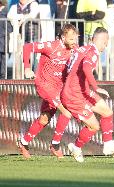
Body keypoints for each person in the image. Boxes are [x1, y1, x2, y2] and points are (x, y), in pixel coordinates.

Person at [61, 27, 114, 163]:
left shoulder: (83, 49)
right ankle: (77, 146)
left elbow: (69, 66)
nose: (107, 45)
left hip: (82, 90)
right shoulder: (93, 52)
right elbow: (85, 68)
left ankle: (108, 145)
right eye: (106, 42)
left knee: (107, 112)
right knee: (94, 126)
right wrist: (96, 87)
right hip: (74, 94)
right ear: (102, 40)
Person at [17, 24, 78, 159]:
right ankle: (55, 145)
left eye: (75, 39)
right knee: (66, 112)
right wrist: (27, 68)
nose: (74, 42)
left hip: (58, 88)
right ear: (63, 37)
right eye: (71, 39)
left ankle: (23, 142)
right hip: (44, 85)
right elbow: (27, 47)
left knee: (44, 120)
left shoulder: (74, 49)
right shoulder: (51, 46)